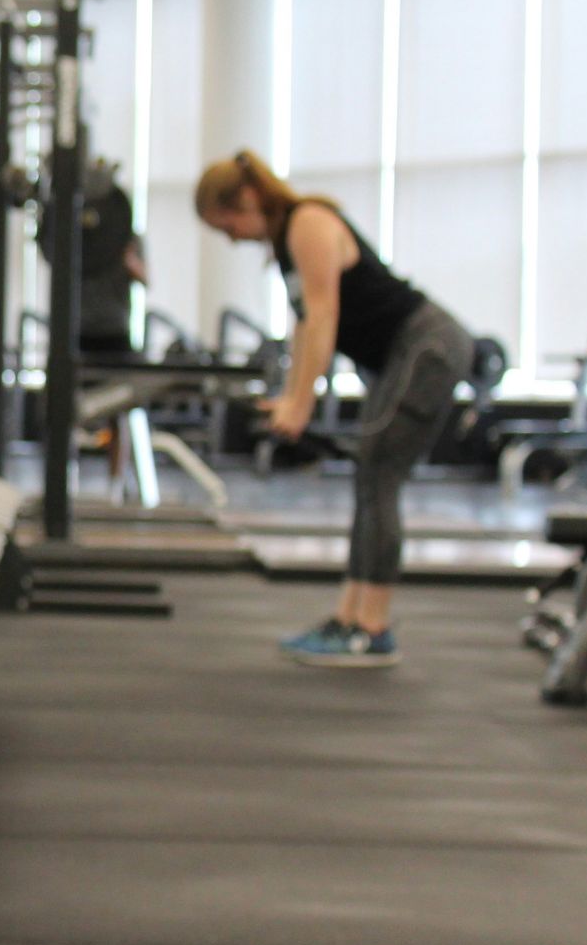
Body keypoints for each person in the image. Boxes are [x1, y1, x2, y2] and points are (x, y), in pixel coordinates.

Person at [194, 150, 474, 667]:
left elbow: (324, 315)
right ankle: (350, 617)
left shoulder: (309, 221)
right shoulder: (286, 244)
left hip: (426, 347)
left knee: (379, 472)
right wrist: (293, 395)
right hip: (399, 355)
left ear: (249, 199)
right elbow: (305, 327)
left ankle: (373, 626)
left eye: (228, 223)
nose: (231, 236)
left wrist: (302, 403)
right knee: (370, 474)